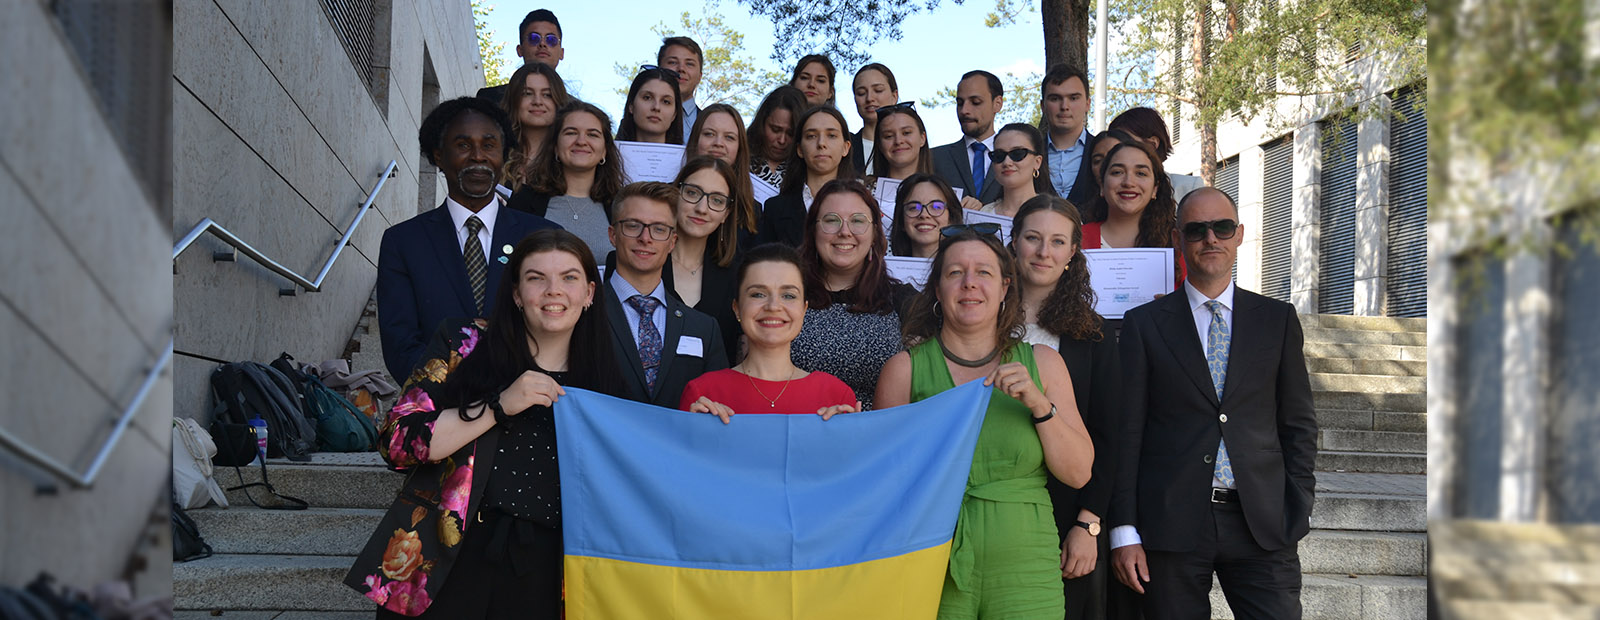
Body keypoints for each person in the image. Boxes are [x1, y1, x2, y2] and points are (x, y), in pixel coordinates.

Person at [355, 228, 616, 618]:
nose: (553, 290)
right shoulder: (464, 343)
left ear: (590, 293)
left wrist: (705, 428)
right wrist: (498, 405)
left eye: (569, 277)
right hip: (451, 554)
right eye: (535, 278)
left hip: (549, 567)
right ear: (515, 294)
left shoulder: (605, 377)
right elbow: (396, 443)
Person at [1109, 187, 1317, 620]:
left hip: (1261, 521)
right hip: (1171, 524)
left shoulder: (1276, 320)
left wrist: (1296, 504)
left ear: (1239, 234)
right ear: (1177, 239)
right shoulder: (1145, 325)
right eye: (1196, 229)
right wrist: (1124, 529)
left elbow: (1297, 424)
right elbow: (1127, 432)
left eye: (1221, 227)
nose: (1210, 239)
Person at [874, 225, 1094, 619]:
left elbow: (1078, 473)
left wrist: (1040, 404)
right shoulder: (904, 371)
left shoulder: (1042, 363)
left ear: (1006, 287)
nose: (969, 284)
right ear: (938, 289)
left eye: (984, 273)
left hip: (1027, 568)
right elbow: (885, 486)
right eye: (955, 273)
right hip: (932, 559)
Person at [377, 97, 560, 382]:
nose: (478, 156)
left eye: (489, 145)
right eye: (463, 145)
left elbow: (560, 330)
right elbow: (400, 346)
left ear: (504, 155)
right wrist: (458, 394)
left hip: (531, 407)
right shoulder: (403, 242)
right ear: (438, 155)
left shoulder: (544, 236)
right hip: (443, 410)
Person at [1008, 195, 1129, 620]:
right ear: (1014, 242)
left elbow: (1109, 434)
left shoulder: (1091, 334)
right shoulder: (979, 317)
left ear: (1072, 253)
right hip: (991, 503)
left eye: (1057, 242)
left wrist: (1088, 523)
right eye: (1033, 239)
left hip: (1065, 511)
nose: (1044, 252)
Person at [678, 243, 860, 420]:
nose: (773, 306)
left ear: (804, 310)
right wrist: (696, 430)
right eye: (758, 294)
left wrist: (849, 438)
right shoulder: (703, 394)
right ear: (737, 308)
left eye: (788, 295)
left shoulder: (836, 395)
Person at [601, 182, 730, 407]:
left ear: (672, 241)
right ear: (613, 235)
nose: (645, 238)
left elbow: (720, 406)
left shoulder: (703, 328)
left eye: (659, 229)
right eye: (633, 226)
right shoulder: (582, 313)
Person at [789, 180, 914, 409]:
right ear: (812, 230)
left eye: (857, 221)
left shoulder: (903, 300)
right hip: (798, 433)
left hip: (877, 437)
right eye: (831, 221)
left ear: (875, 233)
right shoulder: (787, 296)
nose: (844, 232)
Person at [509, 101, 626, 262]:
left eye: (592, 134)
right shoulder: (523, 202)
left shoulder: (622, 205)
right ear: (555, 146)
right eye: (571, 133)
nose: (581, 141)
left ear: (605, 150)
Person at [663, 156, 752, 363]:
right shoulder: (644, 260)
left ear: (726, 214)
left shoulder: (738, 275)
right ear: (676, 194)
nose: (702, 208)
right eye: (693, 193)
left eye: (717, 200)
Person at [755, 106, 857, 248]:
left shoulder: (863, 206)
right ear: (800, 149)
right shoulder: (775, 208)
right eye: (811, 136)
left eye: (831, 135)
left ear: (846, 147)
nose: (821, 143)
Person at [932, 70, 1006, 209]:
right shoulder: (935, 158)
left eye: (975, 102)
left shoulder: (1017, 159)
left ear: (997, 103)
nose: (964, 110)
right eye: (960, 103)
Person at [685, 103, 758, 236]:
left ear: (739, 147)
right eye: (709, 134)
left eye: (729, 137)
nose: (718, 143)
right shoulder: (670, 194)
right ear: (696, 139)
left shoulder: (753, 211)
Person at [1107, 107, 1204, 201]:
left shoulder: (1188, 188)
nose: (1121, 150)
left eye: (1127, 142)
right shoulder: (1109, 189)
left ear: (1153, 143)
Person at [500, 62, 570, 190]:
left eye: (547, 95)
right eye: (527, 93)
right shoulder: (495, 151)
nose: (537, 101)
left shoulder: (570, 156)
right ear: (514, 100)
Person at [1039, 64, 1099, 207]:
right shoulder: (1029, 152)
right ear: (1043, 106)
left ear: (1087, 104)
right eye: (1055, 98)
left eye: (1073, 98)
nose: (1064, 106)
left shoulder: (1103, 151)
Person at [476, 9, 566, 103]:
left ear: (561, 53)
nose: (542, 43)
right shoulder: (489, 98)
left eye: (551, 40)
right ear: (520, 50)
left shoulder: (575, 109)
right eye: (534, 38)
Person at [979, 123, 1057, 217]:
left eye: (1017, 154)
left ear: (1037, 162)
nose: (1007, 162)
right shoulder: (982, 215)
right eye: (999, 155)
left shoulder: (1057, 214)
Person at [889, 173, 964, 258]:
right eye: (914, 208)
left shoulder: (968, 269)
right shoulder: (884, 270)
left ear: (951, 218)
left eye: (936, 207)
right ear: (901, 220)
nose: (924, 214)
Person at [747, 86, 807, 190]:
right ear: (762, 123)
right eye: (775, 130)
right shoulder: (739, 158)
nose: (782, 140)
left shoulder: (807, 170)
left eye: (791, 134)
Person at [850, 63, 899, 176]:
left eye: (878, 90)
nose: (869, 98)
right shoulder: (844, 147)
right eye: (861, 93)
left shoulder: (909, 144)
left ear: (894, 96)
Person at [616, 66, 684, 144]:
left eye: (666, 102)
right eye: (647, 98)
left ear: (675, 114)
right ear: (631, 106)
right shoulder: (608, 155)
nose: (656, 107)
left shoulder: (688, 156)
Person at [870, 103, 934, 182]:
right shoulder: (863, 190)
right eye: (889, 136)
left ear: (922, 138)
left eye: (906, 133)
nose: (898, 141)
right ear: (880, 144)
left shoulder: (941, 192)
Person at [657, 36, 704, 137]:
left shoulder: (711, 125)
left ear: (700, 76)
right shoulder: (635, 121)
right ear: (659, 70)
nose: (681, 69)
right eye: (673, 62)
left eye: (689, 64)